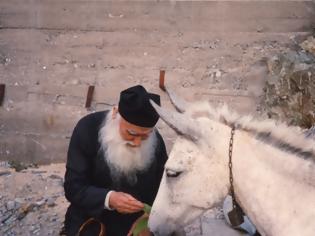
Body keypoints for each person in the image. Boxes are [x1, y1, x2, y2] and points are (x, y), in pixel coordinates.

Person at [63, 85, 168, 236]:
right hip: (94, 218)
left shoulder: (155, 140)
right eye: (131, 133)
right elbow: (73, 187)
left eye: (144, 136)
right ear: (115, 113)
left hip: (139, 222)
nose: (137, 142)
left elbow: (165, 186)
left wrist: (149, 218)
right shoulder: (87, 129)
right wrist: (109, 198)